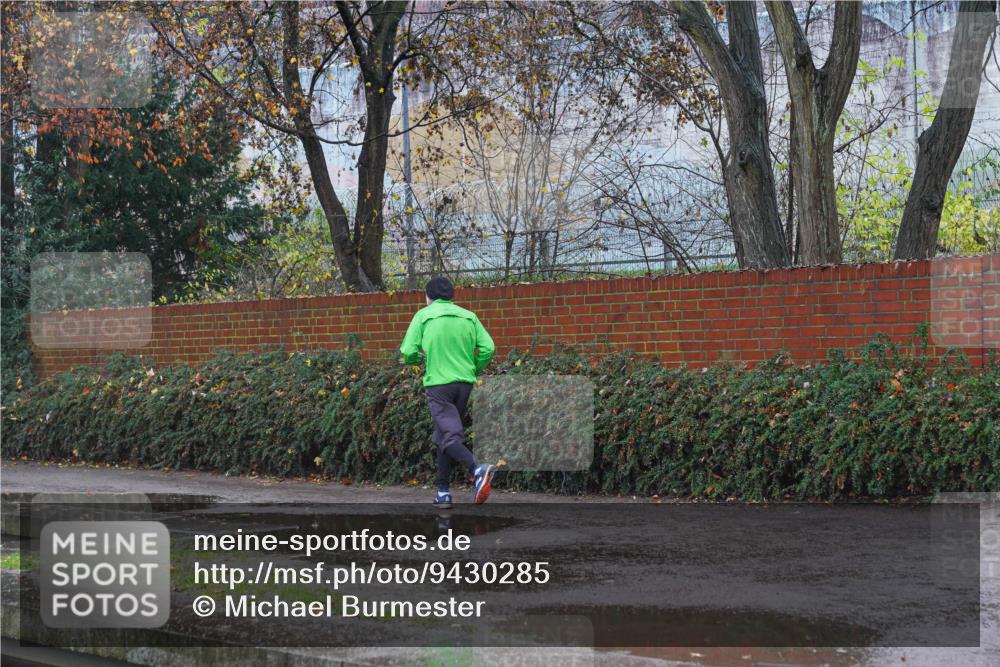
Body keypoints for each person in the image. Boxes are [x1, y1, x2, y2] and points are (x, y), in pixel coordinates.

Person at [400, 276, 496, 508]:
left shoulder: (423, 316)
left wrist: (416, 360)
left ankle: (477, 469)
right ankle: (443, 493)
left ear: (428, 297)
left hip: (438, 385)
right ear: (452, 296)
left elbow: (408, 351)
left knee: (450, 436)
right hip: (464, 384)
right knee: (444, 435)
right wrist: (474, 367)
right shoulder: (469, 316)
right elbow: (488, 348)